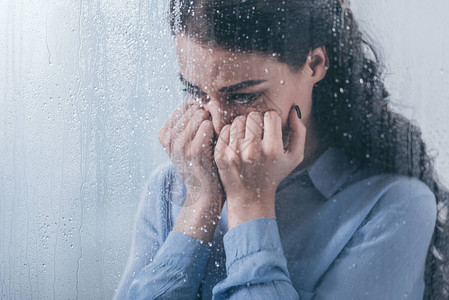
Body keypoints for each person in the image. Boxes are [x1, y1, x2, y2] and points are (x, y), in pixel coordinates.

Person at [114, 0, 449, 299]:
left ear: (314, 64)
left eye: (243, 96)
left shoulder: (394, 205)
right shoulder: (171, 187)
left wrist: (251, 206)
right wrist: (198, 206)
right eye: (194, 91)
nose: (215, 121)